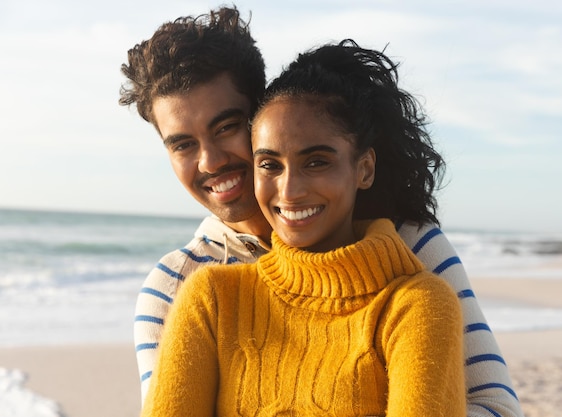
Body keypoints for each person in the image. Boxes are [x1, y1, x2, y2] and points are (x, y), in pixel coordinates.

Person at [119, 7, 524, 417]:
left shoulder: (409, 248)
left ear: (262, 115)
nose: (210, 161)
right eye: (182, 144)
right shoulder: (182, 286)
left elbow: (496, 406)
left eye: (226, 127)